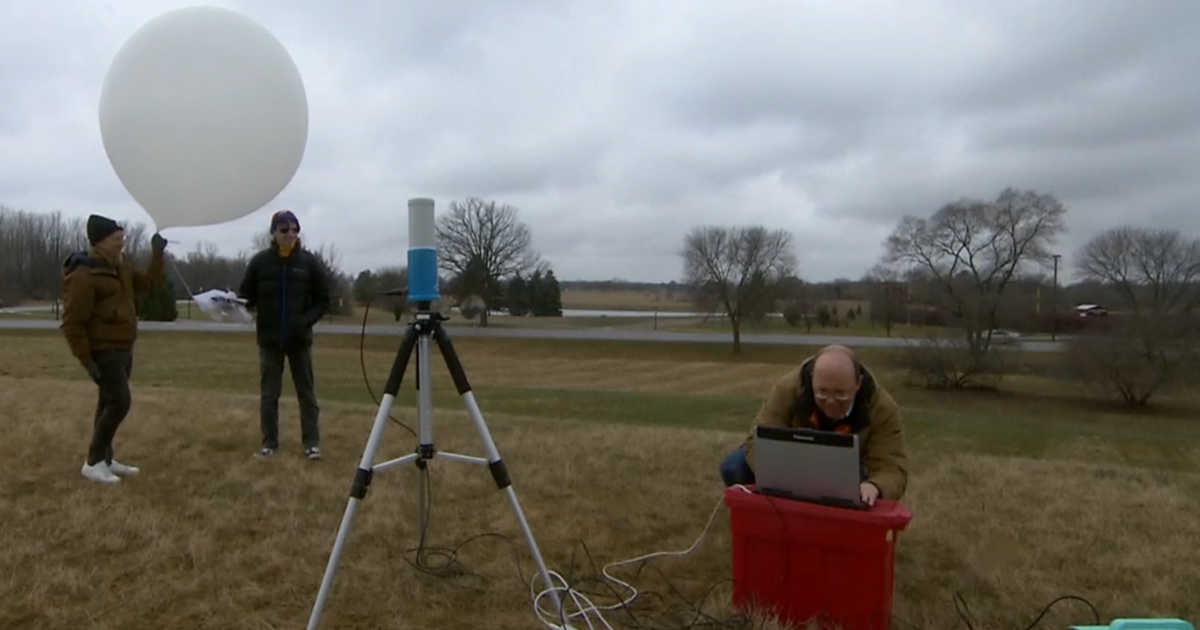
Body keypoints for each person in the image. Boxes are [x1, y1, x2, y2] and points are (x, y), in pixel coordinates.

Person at [718, 344, 909, 506]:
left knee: (858, 484)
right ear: (811, 380)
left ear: (858, 384)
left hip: (848, 473)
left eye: (841, 394)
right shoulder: (787, 389)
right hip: (790, 465)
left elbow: (892, 467)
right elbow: (756, 440)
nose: (831, 401)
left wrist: (875, 486)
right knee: (734, 466)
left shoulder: (882, 408)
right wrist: (784, 479)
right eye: (822, 392)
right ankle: (765, 517)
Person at [59, 214, 168, 484]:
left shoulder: (121, 266)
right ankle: (93, 462)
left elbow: (148, 284)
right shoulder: (84, 275)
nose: (122, 243)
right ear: (101, 242)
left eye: (123, 238)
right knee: (120, 402)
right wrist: (87, 361)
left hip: (123, 347)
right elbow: (72, 323)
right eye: (117, 239)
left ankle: (105, 458)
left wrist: (157, 254)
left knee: (107, 403)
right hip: (102, 350)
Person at [237, 209, 331, 460]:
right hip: (269, 340)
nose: (290, 234)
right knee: (269, 395)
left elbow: (324, 299)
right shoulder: (259, 263)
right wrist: (230, 304)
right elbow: (246, 297)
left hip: (299, 340)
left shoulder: (309, 263)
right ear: (274, 233)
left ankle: (311, 443)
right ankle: (269, 443)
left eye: (294, 229)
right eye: (284, 229)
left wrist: (306, 321)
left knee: (306, 394)